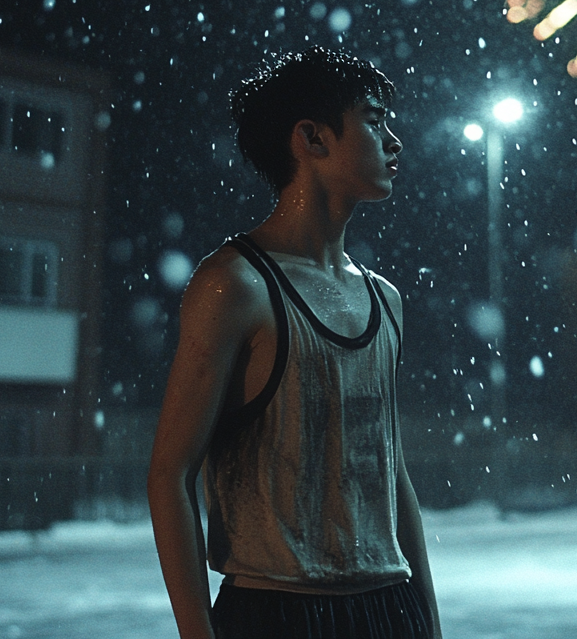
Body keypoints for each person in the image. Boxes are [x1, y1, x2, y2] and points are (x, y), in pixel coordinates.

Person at [147, 47, 440, 639]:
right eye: (375, 120)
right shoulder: (235, 285)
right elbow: (170, 475)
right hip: (274, 610)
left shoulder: (385, 299)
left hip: (389, 607)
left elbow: (391, 471)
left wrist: (428, 622)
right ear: (312, 138)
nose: (394, 141)